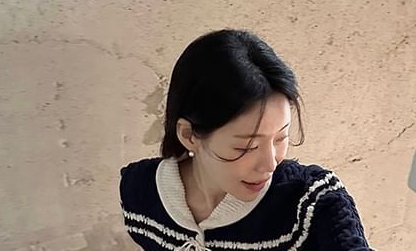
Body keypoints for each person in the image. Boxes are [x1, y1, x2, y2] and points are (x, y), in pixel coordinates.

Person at [120, 29, 372, 251]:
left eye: (280, 138)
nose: (269, 164)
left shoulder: (313, 202)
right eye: (247, 147)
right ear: (189, 135)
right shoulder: (140, 192)